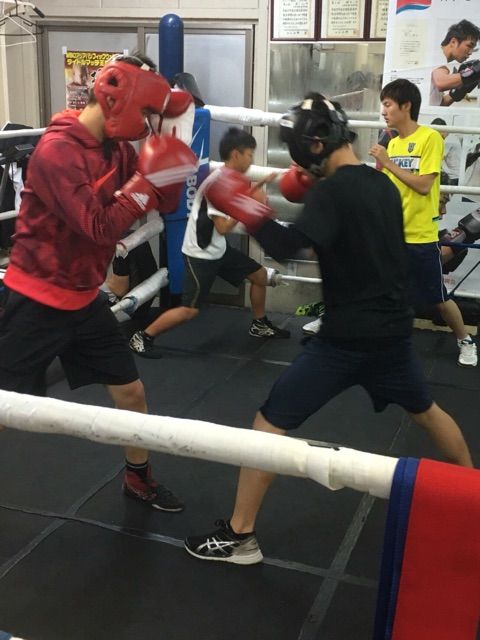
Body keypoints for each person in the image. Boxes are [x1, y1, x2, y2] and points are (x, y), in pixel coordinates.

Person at [183, 93, 473, 564]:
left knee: (267, 425)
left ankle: (241, 536)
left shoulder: (331, 192)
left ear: (314, 146)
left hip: (345, 341)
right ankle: (472, 498)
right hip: (393, 332)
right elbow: (343, 243)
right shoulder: (381, 184)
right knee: (427, 412)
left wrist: (245, 207)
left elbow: (286, 248)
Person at [0, 53, 199, 511]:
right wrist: (147, 182)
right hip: (37, 299)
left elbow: (158, 202)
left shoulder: (118, 149)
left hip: (83, 298)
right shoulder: (57, 152)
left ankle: (137, 478)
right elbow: (99, 226)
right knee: (6, 409)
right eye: (146, 111)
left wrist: (166, 176)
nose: (148, 124)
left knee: (131, 392)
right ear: (118, 97)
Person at [129, 127, 290, 359]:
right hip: (200, 255)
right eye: (249, 154)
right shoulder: (218, 184)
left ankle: (259, 324)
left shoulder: (232, 180)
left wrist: (254, 193)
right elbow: (223, 227)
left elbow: (235, 206)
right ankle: (142, 336)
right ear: (236, 154)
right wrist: (250, 206)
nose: (251, 160)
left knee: (259, 276)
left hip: (218, 249)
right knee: (189, 311)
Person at [369, 79, 477, 367]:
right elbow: (389, 189)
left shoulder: (429, 138)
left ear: (406, 106)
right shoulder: (392, 143)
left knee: (438, 298)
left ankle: (465, 340)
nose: (383, 111)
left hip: (420, 236)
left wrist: (388, 162)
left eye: (388, 104)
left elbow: (423, 185)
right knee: (379, 290)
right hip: (393, 235)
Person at [430, 19, 480, 107]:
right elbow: (441, 83)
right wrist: (473, 72)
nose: (470, 52)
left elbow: (438, 104)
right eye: (469, 46)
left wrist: (458, 92)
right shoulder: (436, 56)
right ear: (453, 42)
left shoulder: (442, 61)